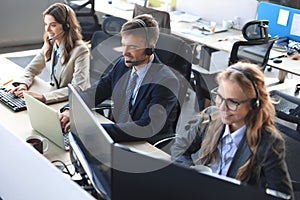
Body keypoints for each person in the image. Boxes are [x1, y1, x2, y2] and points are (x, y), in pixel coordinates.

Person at [171, 62, 294, 198]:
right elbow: (180, 147)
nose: (222, 108)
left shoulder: (268, 142)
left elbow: (283, 196)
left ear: (254, 104)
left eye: (233, 102)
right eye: (220, 97)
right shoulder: (211, 117)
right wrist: (191, 172)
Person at [60, 14, 180, 144]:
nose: (124, 52)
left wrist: (93, 130)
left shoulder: (166, 81)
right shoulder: (122, 65)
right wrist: (70, 109)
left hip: (145, 147)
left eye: (132, 47)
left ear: (150, 47)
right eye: (123, 45)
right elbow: (96, 91)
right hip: (116, 139)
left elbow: (146, 127)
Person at [8, 3, 90, 104]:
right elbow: (31, 69)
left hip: (73, 102)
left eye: (53, 25)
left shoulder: (80, 51)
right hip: (55, 96)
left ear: (66, 26)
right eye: (46, 24)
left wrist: (43, 97)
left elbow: (77, 88)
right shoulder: (51, 43)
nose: (47, 29)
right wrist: (23, 84)